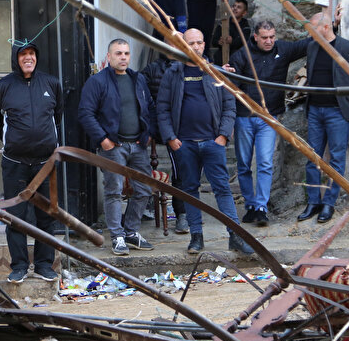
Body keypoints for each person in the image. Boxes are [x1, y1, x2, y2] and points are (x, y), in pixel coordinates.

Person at [156, 29, 253, 255]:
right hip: (185, 144)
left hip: (212, 142)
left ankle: (235, 236)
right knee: (190, 190)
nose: (197, 46)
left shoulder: (216, 72)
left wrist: (222, 137)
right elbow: (162, 108)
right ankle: (196, 237)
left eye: (200, 42)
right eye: (192, 43)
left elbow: (230, 107)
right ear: (183, 46)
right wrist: (171, 138)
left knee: (223, 190)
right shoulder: (173, 73)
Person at [0, 42, 64, 283]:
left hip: (45, 163)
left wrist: (44, 141)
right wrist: (15, 142)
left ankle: (44, 265)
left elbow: (57, 116)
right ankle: (19, 266)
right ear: (16, 58)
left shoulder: (51, 83)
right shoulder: (3, 86)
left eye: (32, 53)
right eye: (23, 55)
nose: (28, 58)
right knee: (16, 216)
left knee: (46, 215)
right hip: (15, 163)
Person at [225, 20, 310, 226]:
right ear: (255, 36)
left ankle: (262, 206)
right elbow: (231, 86)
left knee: (265, 162)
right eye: (265, 37)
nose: (269, 41)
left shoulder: (283, 49)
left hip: (270, 117)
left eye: (272, 37)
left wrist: (332, 26)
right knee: (244, 164)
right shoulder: (242, 55)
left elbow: (308, 43)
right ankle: (250, 205)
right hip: (244, 116)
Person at [79, 39, 156, 256]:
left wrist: (148, 133)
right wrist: (102, 139)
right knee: (113, 191)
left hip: (138, 146)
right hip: (114, 147)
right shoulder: (97, 82)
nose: (123, 57)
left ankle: (130, 232)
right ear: (109, 57)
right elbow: (85, 113)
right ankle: (117, 237)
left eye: (126, 53)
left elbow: (150, 108)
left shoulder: (138, 79)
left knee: (144, 190)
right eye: (118, 53)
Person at [299, 11, 349, 223]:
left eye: (313, 28)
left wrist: (348, 103)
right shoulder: (312, 47)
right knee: (312, 157)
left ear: (325, 27)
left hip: (337, 111)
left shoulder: (347, 48)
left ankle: (328, 203)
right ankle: (313, 202)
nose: (310, 32)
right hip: (315, 110)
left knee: (336, 159)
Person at [142, 53, 189, 234]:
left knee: (193, 175)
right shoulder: (153, 70)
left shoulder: (198, 67)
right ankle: (182, 215)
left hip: (198, 131)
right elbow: (152, 103)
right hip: (171, 132)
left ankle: (192, 214)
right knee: (180, 174)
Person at [210, 0, 253, 64]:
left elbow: (242, 43)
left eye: (239, 7)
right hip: (221, 57)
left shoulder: (246, 27)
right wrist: (219, 42)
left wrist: (232, 42)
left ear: (244, 13)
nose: (235, 8)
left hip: (237, 58)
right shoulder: (223, 23)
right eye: (234, 6)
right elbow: (214, 41)